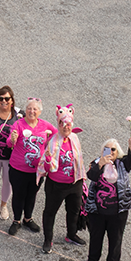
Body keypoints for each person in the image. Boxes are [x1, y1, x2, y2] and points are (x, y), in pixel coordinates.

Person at [84, 137, 131, 261]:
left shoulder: (122, 163)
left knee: (116, 238)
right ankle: (92, 258)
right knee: (96, 236)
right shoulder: (96, 162)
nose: (110, 152)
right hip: (98, 210)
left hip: (118, 211)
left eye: (113, 149)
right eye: (107, 149)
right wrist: (100, 164)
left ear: (117, 151)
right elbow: (91, 176)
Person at [37, 107, 86, 253]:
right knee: (50, 212)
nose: (66, 127)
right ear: (58, 124)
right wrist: (47, 159)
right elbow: (45, 168)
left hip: (75, 183)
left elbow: (79, 161)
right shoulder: (52, 142)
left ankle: (71, 235)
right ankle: (48, 239)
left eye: (69, 124)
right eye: (63, 124)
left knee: (74, 211)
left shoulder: (75, 138)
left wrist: (82, 179)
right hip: (56, 185)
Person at [5, 99, 55, 236]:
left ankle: (28, 218)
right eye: (29, 109)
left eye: (35, 109)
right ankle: (16, 221)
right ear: (25, 110)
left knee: (32, 194)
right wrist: (13, 139)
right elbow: (9, 143)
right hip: (18, 169)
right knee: (19, 195)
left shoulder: (45, 125)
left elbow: (58, 136)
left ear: (39, 111)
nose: (32, 111)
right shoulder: (18, 124)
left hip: (37, 171)